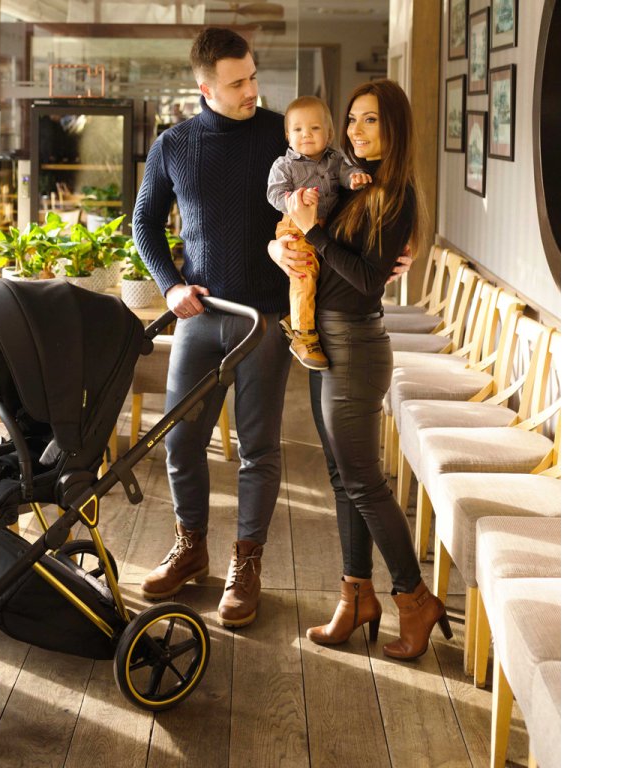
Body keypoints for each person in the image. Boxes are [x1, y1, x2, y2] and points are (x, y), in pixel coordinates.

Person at [133, 29, 411, 629]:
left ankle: (246, 563)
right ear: (204, 88)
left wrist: (396, 247)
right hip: (201, 312)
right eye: (237, 83)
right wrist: (170, 285)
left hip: (265, 320)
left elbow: (342, 199)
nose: (251, 90)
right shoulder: (173, 144)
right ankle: (190, 546)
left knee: (257, 449)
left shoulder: (282, 134)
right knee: (180, 440)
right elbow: (144, 222)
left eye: (254, 76)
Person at [268, 79, 451, 660]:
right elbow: (309, 243)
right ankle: (356, 596)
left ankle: (415, 599)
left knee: (365, 482)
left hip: (355, 345)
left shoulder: (396, 195)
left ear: (394, 127)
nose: (355, 130)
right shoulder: (353, 183)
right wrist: (282, 245)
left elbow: (369, 281)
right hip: (325, 340)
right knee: (343, 477)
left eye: (369, 120)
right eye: (351, 119)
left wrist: (315, 233)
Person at [266, 95, 371, 371]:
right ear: (288, 136)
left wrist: (355, 177)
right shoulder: (284, 165)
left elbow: (347, 174)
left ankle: (295, 318)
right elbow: (274, 194)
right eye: (298, 129)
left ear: (329, 134)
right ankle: (303, 335)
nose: (306, 135)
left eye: (315, 128)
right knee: (304, 274)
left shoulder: (335, 160)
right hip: (296, 227)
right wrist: (295, 199)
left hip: (327, 228)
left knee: (326, 279)